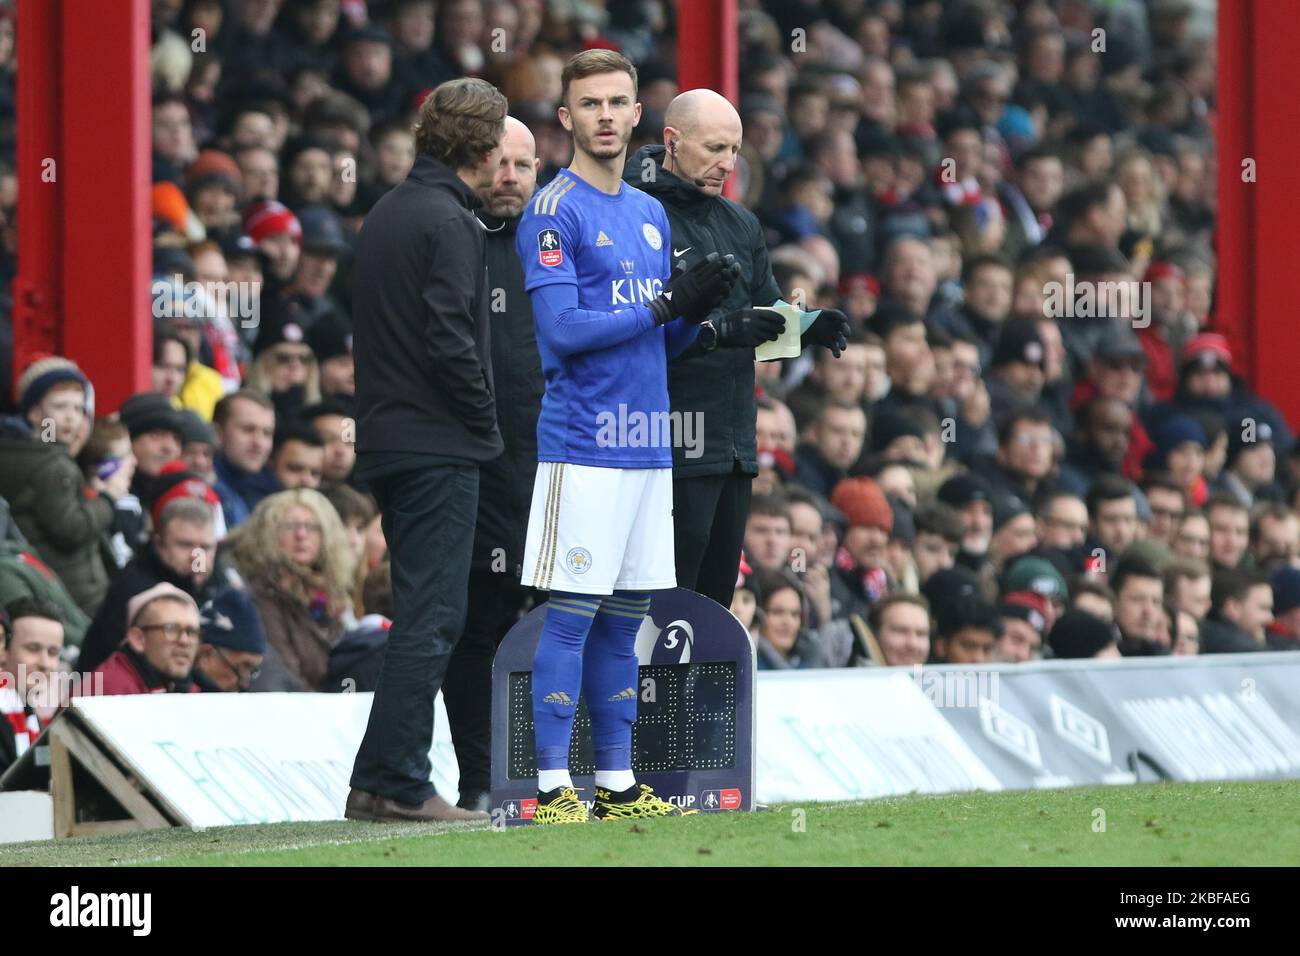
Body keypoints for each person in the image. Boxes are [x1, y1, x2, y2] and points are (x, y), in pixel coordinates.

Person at [514, 51, 737, 825]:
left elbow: (659, 342)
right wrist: (663, 307)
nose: (605, 116)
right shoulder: (553, 211)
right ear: (566, 117)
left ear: (638, 115)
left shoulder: (649, 215)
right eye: (589, 103)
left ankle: (615, 785)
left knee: (624, 621)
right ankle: (550, 791)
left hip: (647, 446)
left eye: (618, 102)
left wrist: (707, 327)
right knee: (571, 616)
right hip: (583, 445)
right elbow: (563, 330)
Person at [347, 78, 506, 824]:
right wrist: (485, 420)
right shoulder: (451, 222)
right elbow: (449, 337)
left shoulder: (389, 211)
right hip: (435, 442)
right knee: (433, 615)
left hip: (391, 438)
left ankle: (383, 779)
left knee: (424, 612)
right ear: (483, 146)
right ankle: (398, 782)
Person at [624, 87, 848, 608]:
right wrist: (723, 330)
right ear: (672, 142)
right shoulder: (634, 215)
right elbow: (628, 334)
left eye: (735, 150)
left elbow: (765, 316)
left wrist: (802, 329)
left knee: (714, 603)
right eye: (714, 149)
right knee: (662, 606)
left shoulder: (740, 222)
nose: (728, 164)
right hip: (666, 441)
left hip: (733, 447)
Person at [443, 116, 545, 813]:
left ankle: (555, 774)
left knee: (553, 630)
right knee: (475, 632)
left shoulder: (558, 251)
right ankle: (479, 781)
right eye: (497, 163)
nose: (509, 177)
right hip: (469, 475)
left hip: (552, 473)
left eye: (524, 165)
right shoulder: (447, 241)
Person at [79, 496, 227, 673]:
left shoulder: (215, 584)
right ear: (159, 544)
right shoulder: (138, 590)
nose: (197, 556)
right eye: (185, 545)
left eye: (206, 547)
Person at [230, 489, 354, 692]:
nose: (301, 535)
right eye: (290, 526)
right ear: (267, 533)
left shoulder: (332, 595)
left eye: (312, 527)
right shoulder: (261, 594)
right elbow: (284, 671)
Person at [89, 583, 203, 695]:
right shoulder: (106, 694)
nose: (185, 641)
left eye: (192, 632)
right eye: (171, 629)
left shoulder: (189, 691)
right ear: (138, 639)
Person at [0, 599, 64, 774]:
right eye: (32, 648)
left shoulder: (27, 712)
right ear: (4, 649)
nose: (45, 663)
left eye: (53, 652)